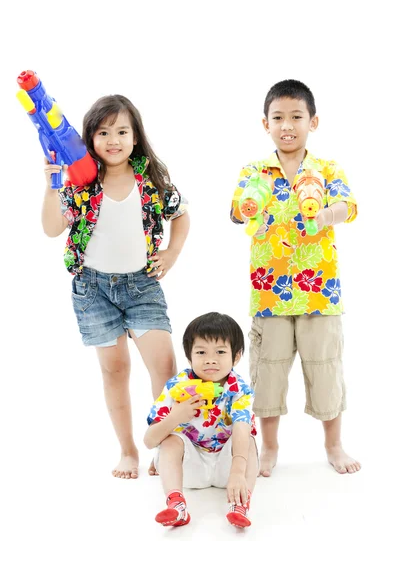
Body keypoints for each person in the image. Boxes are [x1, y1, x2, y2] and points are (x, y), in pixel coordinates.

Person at [41, 94, 189, 479]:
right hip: (94, 290)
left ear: (135, 137)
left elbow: (182, 214)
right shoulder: (81, 182)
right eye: (103, 132)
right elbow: (52, 228)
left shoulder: (151, 178)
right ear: (89, 139)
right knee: (115, 371)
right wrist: (52, 185)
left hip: (143, 285)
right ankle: (127, 451)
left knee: (165, 366)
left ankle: (164, 444)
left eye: (122, 131)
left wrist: (171, 253)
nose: (113, 140)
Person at [230, 79, 361, 476]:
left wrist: (325, 215)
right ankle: (268, 448)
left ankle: (334, 445)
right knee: (268, 370)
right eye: (278, 117)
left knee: (325, 367)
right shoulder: (255, 170)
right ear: (265, 123)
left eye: (296, 117)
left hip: (319, 290)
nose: (287, 125)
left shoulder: (326, 169)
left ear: (313, 121)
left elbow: (347, 206)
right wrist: (250, 205)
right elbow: (237, 211)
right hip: (269, 291)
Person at [144, 312, 258, 528]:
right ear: (189, 357)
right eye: (201, 352)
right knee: (170, 439)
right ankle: (176, 505)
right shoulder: (176, 386)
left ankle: (240, 504)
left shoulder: (239, 389)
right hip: (190, 468)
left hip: (229, 470)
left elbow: (242, 427)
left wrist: (236, 471)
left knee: (248, 439)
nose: (210, 359)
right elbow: (149, 441)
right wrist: (176, 416)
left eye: (221, 352)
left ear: (237, 356)